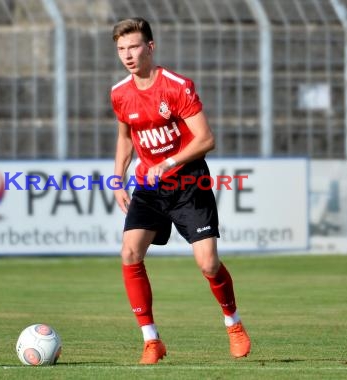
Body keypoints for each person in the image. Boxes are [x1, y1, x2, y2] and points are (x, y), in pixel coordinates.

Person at [110, 17, 251, 365]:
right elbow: (126, 137)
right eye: (121, 49)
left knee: (208, 263)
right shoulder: (119, 93)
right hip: (150, 186)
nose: (128, 55)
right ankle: (151, 340)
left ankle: (232, 323)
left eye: (134, 47)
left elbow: (206, 139)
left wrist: (169, 163)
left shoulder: (176, 86)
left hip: (189, 183)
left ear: (150, 47)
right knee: (130, 253)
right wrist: (118, 178)